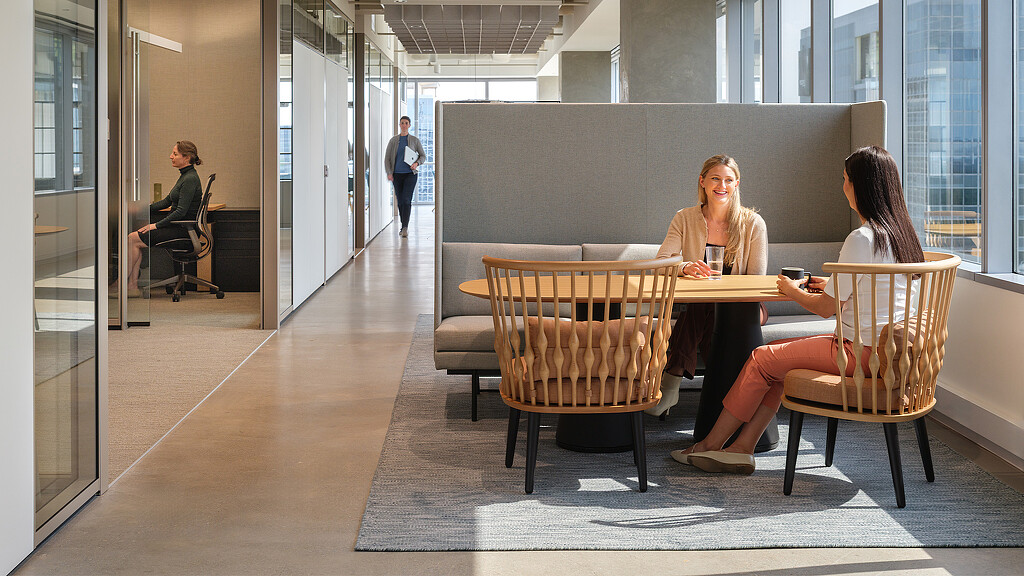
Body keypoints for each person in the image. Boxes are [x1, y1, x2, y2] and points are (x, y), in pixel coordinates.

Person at [672, 145, 925, 474]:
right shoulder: (905, 237)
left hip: (859, 354)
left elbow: (824, 309)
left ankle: (710, 445)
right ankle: (740, 448)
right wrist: (832, 282)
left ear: (861, 186)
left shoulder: (862, 238)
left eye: (846, 179)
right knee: (775, 360)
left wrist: (791, 290)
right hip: (891, 354)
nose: (843, 186)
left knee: (761, 358)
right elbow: (872, 288)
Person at [645, 154, 767, 418]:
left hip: (744, 308)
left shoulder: (753, 223)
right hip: (700, 306)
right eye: (715, 178)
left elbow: (757, 280)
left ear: (736, 184)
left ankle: (672, 381)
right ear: (702, 182)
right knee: (703, 308)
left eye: (728, 180)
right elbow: (662, 262)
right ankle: (722, 395)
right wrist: (685, 266)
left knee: (700, 310)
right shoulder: (684, 218)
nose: (721, 185)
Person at [120, 141, 204, 293]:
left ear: (187, 158)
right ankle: (130, 285)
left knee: (132, 239)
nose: (170, 156)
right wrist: (141, 209)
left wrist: (156, 225)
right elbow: (167, 201)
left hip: (184, 232)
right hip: (180, 228)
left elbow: (181, 212)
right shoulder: (185, 176)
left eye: (175, 154)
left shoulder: (190, 179)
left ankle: (122, 284)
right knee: (133, 239)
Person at [384, 116, 427, 238]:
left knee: (406, 200)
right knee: (400, 201)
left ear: (409, 125)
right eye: (402, 123)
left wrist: (416, 163)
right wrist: (389, 172)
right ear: (399, 125)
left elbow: (423, 156)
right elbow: (387, 158)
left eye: (406, 123)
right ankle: (404, 225)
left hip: (410, 175)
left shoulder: (414, 140)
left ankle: (405, 227)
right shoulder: (393, 141)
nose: (404, 125)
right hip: (397, 175)